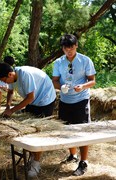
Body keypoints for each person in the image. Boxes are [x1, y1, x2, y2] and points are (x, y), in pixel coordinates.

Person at [0, 63, 56, 177]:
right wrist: (7, 106)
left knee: (39, 133)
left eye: (4, 80)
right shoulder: (12, 77)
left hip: (45, 100)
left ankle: (36, 163)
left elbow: (30, 97)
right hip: (33, 101)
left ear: (10, 74)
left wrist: (12, 111)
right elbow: (10, 92)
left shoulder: (24, 75)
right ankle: (32, 157)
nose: (5, 83)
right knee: (30, 132)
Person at [52, 34, 96, 176]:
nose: (68, 51)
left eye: (71, 47)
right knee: (66, 129)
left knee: (82, 131)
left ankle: (83, 162)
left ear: (76, 45)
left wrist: (83, 86)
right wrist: (61, 86)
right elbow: (54, 81)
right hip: (65, 100)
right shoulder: (58, 62)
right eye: (65, 48)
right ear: (62, 48)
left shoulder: (85, 60)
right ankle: (72, 155)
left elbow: (92, 81)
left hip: (81, 100)